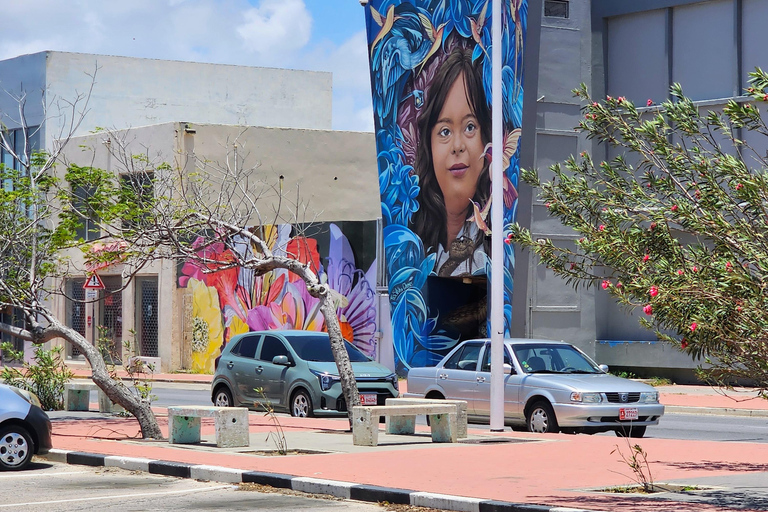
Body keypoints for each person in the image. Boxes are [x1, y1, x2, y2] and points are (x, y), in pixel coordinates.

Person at [410, 45, 491, 277]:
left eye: (469, 127)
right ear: (429, 144)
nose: (457, 146)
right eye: (445, 131)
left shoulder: (497, 244)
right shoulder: (412, 234)